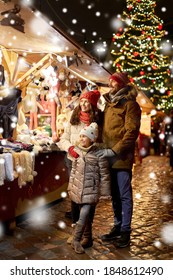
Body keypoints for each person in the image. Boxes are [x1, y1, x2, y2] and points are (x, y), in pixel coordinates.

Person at [96, 72, 141, 248]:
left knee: (124, 195)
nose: (111, 85)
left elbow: (131, 132)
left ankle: (125, 231)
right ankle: (117, 225)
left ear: (122, 85)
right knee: (114, 194)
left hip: (121, 157)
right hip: (107, 155)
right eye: (110, 82)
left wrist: (114, 150)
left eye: (114, 82)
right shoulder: (108, 103)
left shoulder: (131, 105)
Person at [57, 90, 103, 226]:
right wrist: (71, 148)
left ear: (92, 104)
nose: (83, 104)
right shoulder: (74, 116)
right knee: (75, 192)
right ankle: (75, 223)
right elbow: (64, 138)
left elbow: (101, 141)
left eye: (87, 101)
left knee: (88, 193)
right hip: (73, 160)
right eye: (82, 101)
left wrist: (91, 152)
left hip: (89, 162)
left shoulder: (98, 119)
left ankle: (86, 226)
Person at [68, 122, 111, 253]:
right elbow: (74, 171)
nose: (81, 139)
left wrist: (104, 193)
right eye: (80, 136)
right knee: (84, 215)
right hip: (78, 190)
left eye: (84, 137)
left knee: (84, 214)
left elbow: (104, 175)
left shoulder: (99, 154)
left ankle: (76, 239)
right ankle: (88, 238)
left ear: (92, 139)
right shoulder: (77, 153)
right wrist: (71, 186)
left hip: (90, 190)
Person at [164, 109, 173, 174]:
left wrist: (166, 141)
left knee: (171, 153)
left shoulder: (169, 121)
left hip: (171, 138)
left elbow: (166, 131)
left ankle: (172, 167)